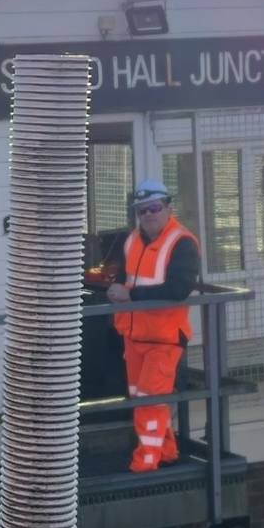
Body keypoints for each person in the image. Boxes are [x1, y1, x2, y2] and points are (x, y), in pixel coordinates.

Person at [100, 180, 200, 472]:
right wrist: (116, 288)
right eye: (142, 210)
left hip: (164, 338)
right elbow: (124, 275)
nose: (148, 215)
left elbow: (179, 288)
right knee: (145, 401)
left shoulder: (182, 241)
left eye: (154, 207)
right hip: (134, 336)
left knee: (148, 403)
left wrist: (130, 294)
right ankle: (166, 451)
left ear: (168, 207)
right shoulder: (132, 239)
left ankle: (145, 464)